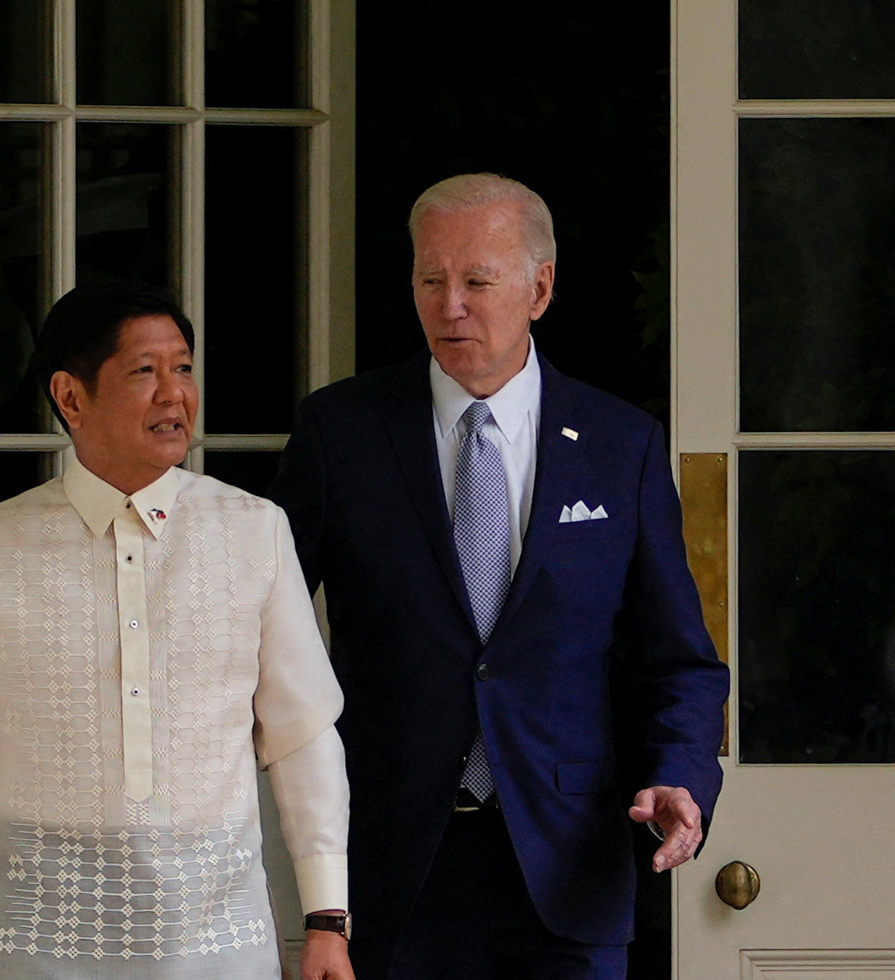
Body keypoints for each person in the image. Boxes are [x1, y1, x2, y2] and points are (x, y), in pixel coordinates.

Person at [268, 174, 730, 980]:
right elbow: (263, 630)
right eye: (430, 280)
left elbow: (679, 662)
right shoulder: (340, 434)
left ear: (538, 288)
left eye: (477, 281)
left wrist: (679, 779)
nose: (450, 306)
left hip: (567, 865)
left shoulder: (622, 446)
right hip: (390, 863)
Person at [0, 282, 355, 980]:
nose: (174, 394)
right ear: (70, 397)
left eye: (183, 368)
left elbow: (303, 736)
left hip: (216, 947)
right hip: (33, 945)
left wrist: (327, 920)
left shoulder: (255, 532)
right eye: (145, 371)